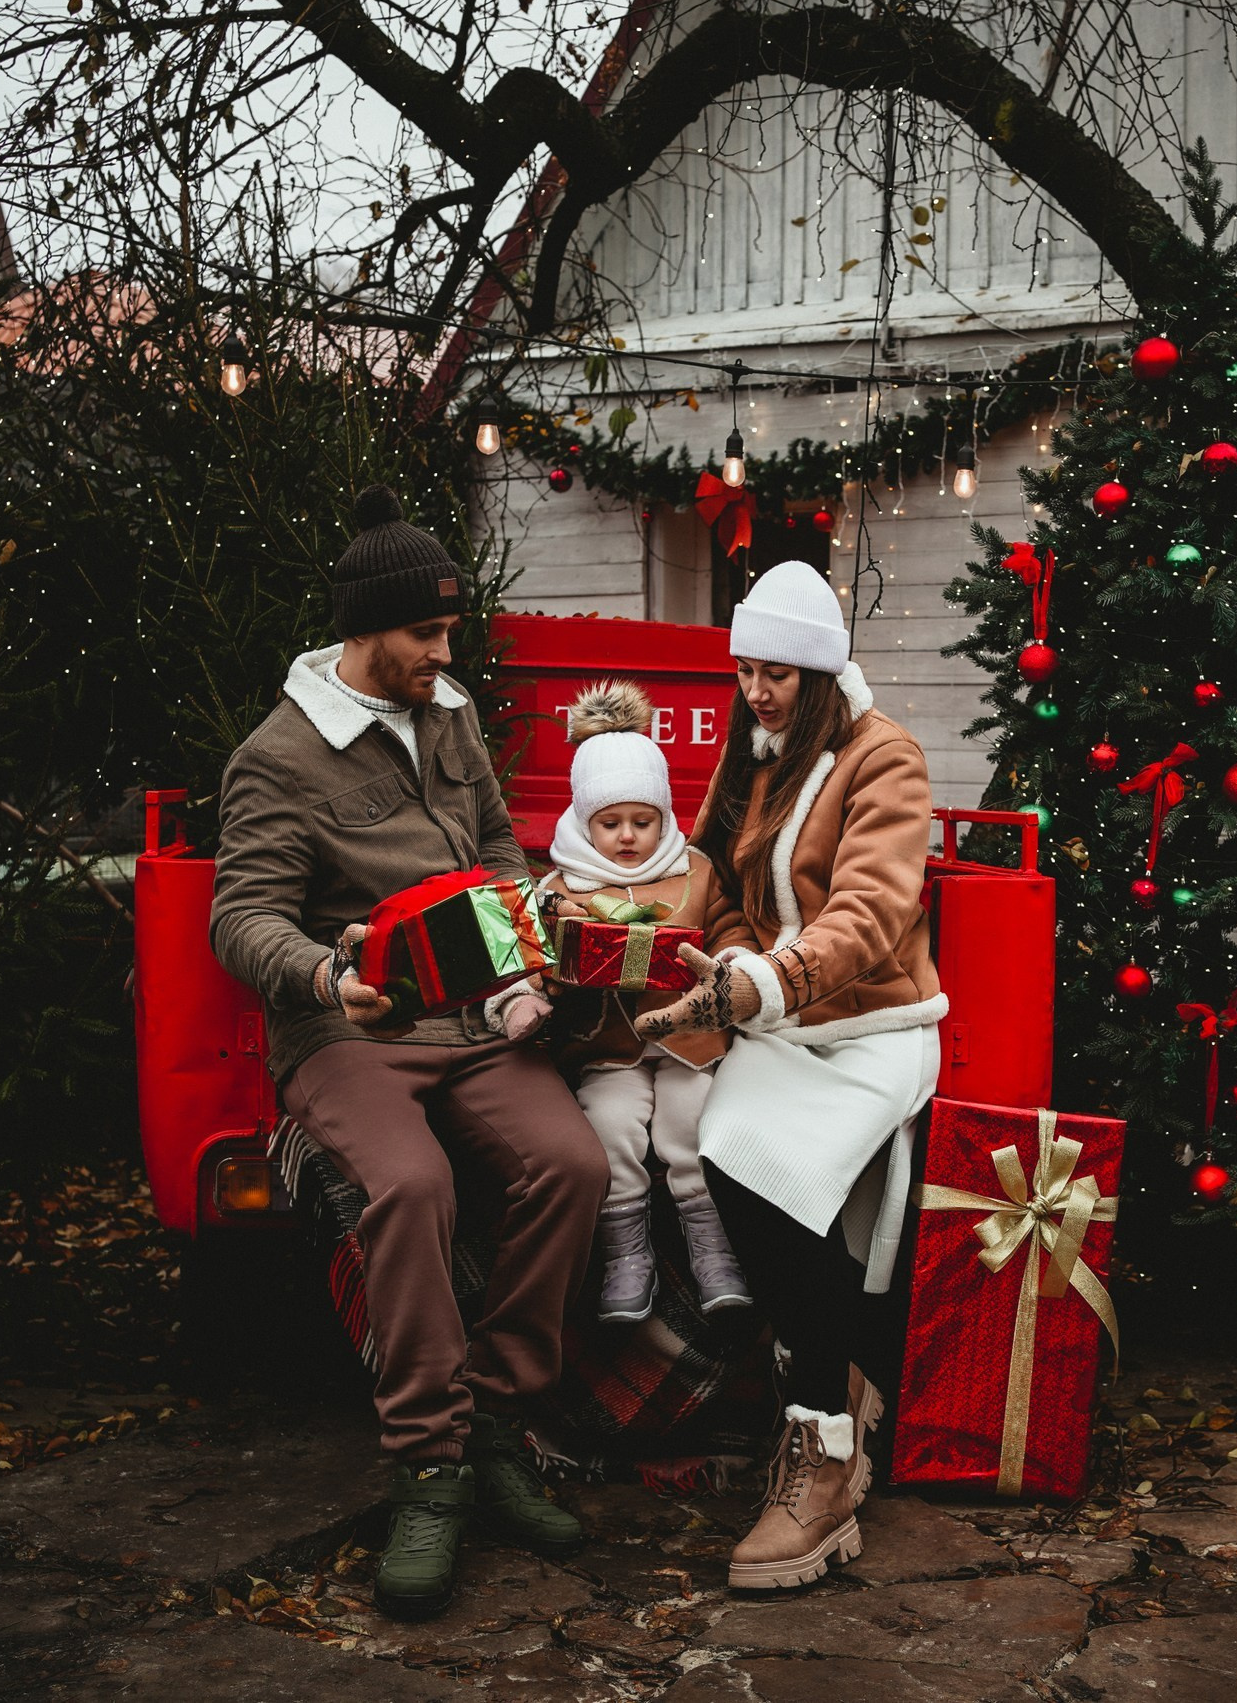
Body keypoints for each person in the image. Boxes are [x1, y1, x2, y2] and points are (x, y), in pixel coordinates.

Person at [208, 485, 605, 1621]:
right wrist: (330, 978)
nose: (446, 649)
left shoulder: (451, 717)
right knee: (412, 1182)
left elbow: (492, 847)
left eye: (448, 630)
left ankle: (495, 1421)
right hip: (351, 1026)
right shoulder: (277, 758)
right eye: (427, 634)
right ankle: (427, 1465)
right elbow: (242, 919)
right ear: (366, 630)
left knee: (571, 1167)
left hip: (478, 1018)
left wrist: (536, 938)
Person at [634, 559, 948, 1592]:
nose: (755, 691)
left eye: (775, 673)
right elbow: (718, 881)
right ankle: (841, 1384)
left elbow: (870, 915)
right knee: (726, 1151)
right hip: (776, 1019)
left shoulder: (883, 759)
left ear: (819, 674)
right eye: (745, 670)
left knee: (771, 1177)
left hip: (870, 1030)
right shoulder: (753, 757)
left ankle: (822, 1456)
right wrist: (731, 967)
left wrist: (758, 986)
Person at [484, 680, 751, 1322]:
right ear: (583, 822)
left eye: (643, 821)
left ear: (663, 816)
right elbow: (519, 955)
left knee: (693, 1123)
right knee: (608, 1131)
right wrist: (522, 999)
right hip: (607, 1050)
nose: (628, 837)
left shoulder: (696, 871)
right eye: (610, 824)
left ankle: (712, 1247)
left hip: (689, 1043)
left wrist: (733, 966)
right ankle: (624, 1250)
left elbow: (730, 929)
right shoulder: (557, 887)